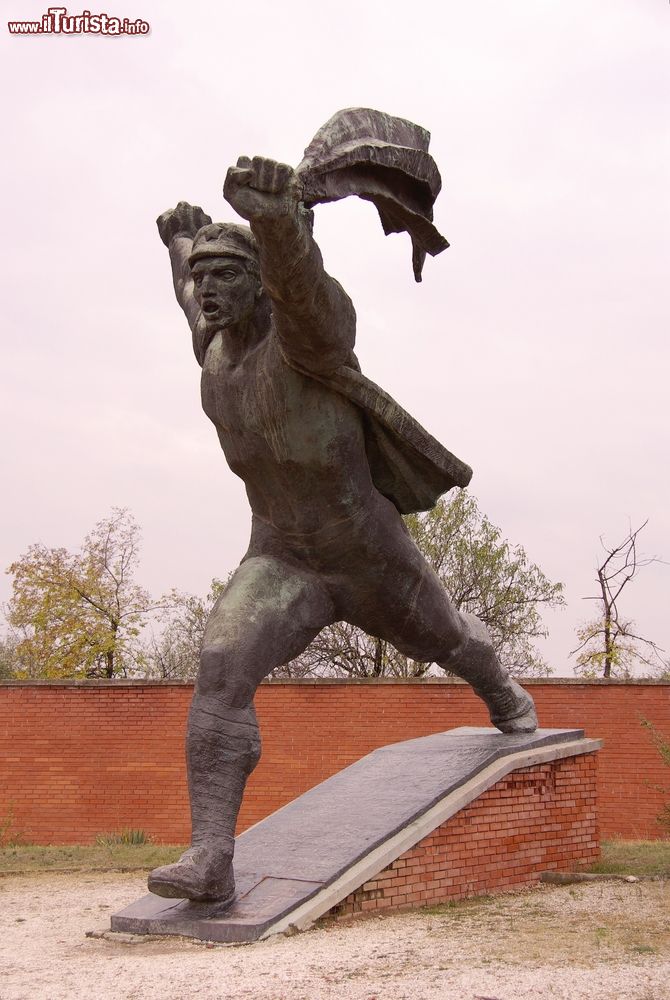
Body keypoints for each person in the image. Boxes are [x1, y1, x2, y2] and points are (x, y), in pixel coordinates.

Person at [149, 155, 537, 905]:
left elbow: (302, 287)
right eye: (202, 280)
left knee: (448, 639)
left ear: (261, 281)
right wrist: (182, 245)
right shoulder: (216, 353)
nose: (207, 292)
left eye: (225, 277)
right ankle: (211, 856)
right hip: (281, 558)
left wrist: (272, 219)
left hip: (366, 556)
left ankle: (502, 693)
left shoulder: (308, 343)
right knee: (221, 669)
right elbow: (190, 301)